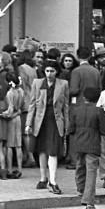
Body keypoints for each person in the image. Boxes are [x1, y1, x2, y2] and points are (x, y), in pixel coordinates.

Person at [26, 61, 69, 194]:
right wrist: (28, 123)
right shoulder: (37, 83)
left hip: (56, 121)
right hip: (40, 121)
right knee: (42, 150)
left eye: (52, 71)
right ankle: (43, 178)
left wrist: (67, 124)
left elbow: (66, 106)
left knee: (53, 150)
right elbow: (32, 104)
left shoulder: (63, 84)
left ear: (57, 72)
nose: (49, 74)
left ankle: (53, 181)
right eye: (47, 71)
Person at [70, 87, 105, 209]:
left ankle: (80, 190)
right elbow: (103, 130)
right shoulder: (98, 111)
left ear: (84, 97)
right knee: (91, 172)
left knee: (79, 166)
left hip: (78, 143)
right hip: (93, 144)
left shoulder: (76, 109)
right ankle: (89, 203)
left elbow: (71, 129)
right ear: (97, 99)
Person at [3, 73, 25, 179]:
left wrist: (3, 115)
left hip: (11, 119)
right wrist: (18, 112)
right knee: (18, 145)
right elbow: (22, 106)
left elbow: (10, 110)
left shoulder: (10, 93)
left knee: (9, 145)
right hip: (18, 118)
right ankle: (20, 169)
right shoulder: (21, 91)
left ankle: (10, 169)